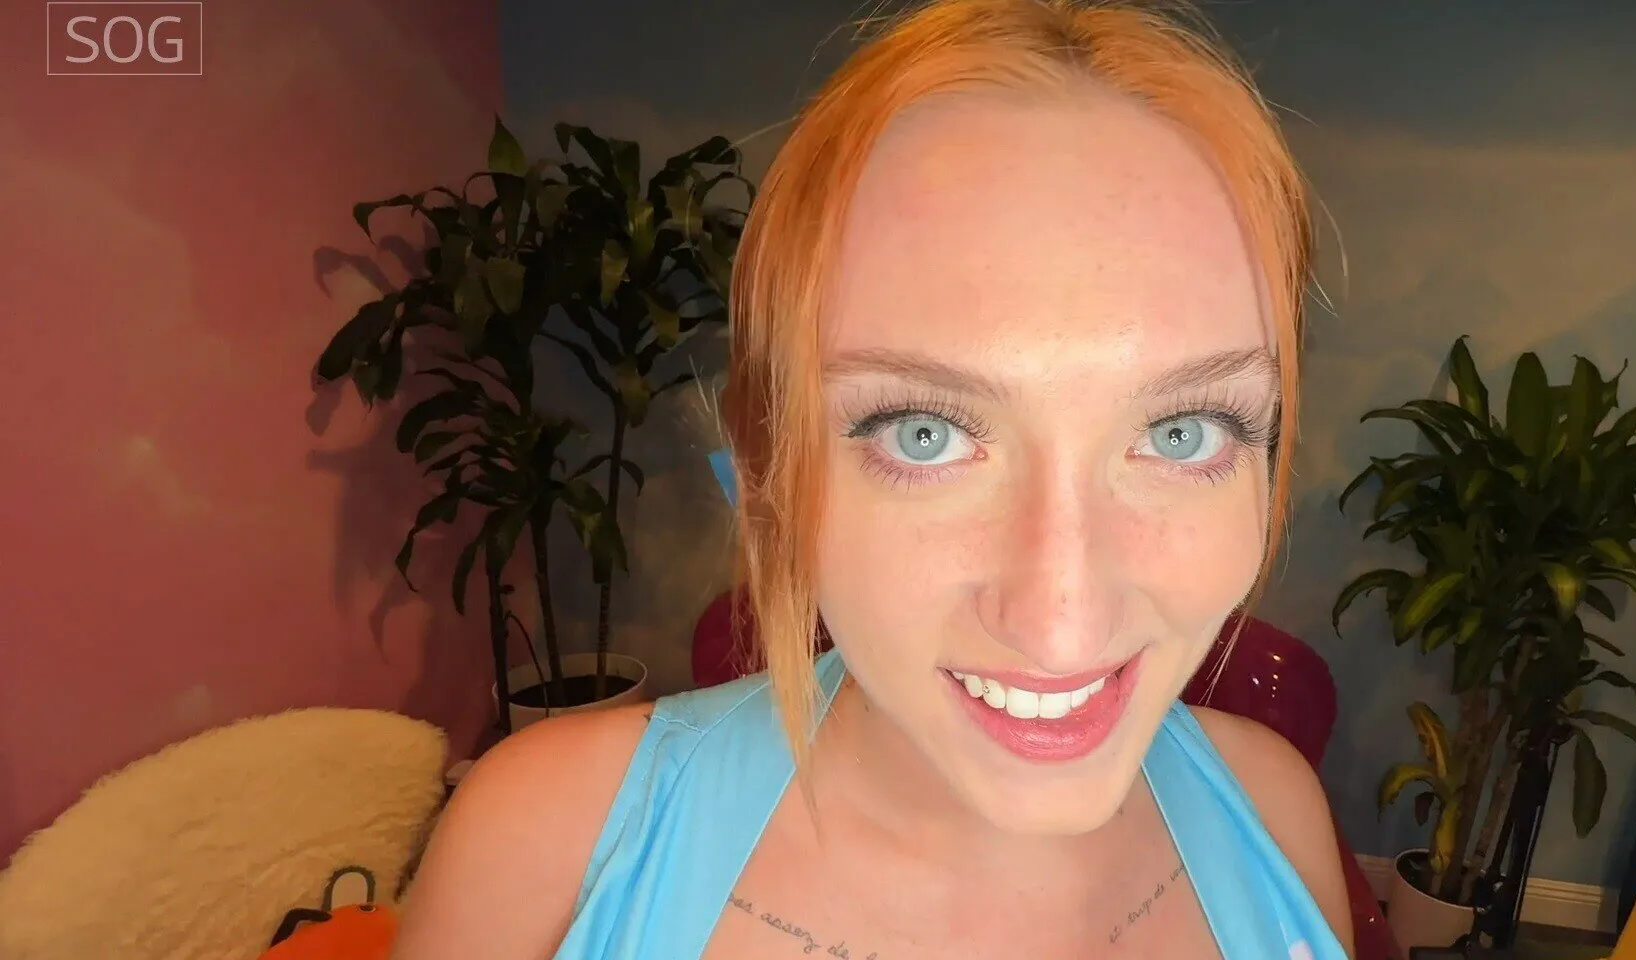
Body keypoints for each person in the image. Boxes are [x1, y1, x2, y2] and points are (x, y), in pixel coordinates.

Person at [393, 1, 1354, 957]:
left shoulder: (1278, 815)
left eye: (1184, 433)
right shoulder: (546, 854)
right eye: (924, 435)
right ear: (765, 469)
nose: (1060, 623)